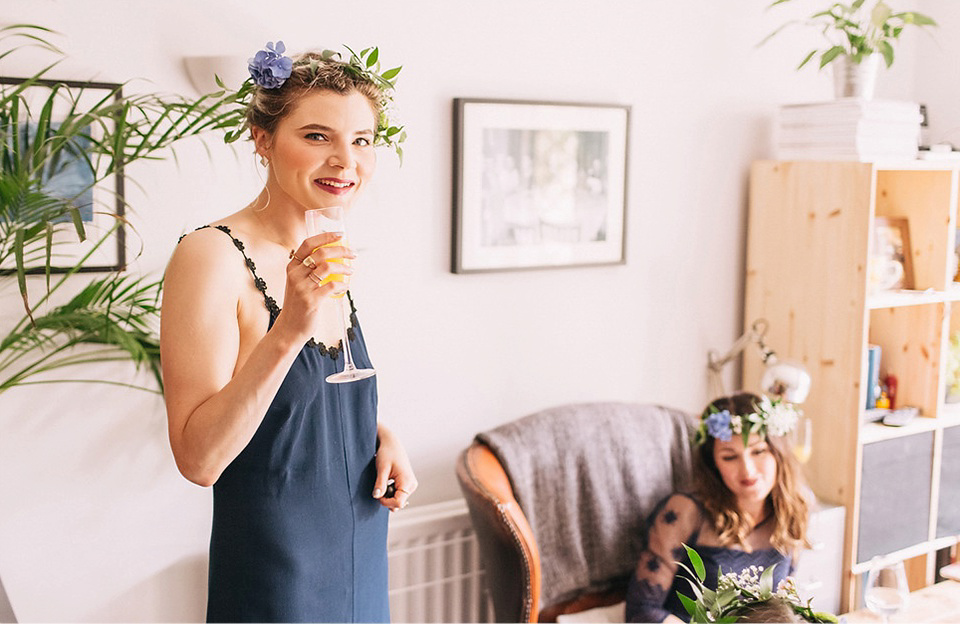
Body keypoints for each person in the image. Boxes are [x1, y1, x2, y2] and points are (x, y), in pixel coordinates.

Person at [159, 41, 417, 623]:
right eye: (318, 136)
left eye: (362, 141)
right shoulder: (211, 256)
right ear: (262, 137)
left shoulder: (326, 248)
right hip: (278, 571)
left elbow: (300, 398)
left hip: (359, 544)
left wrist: (378, 435)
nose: (346, 162)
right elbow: (199, 459)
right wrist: (290, 328)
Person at [625, 392, 810, 623]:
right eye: (729, 457)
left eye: (758, 451)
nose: (748, 471)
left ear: (778, 453)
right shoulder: (685, 512)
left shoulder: (793, 509)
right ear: (714, 464)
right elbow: (642, 611)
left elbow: (783, 604)